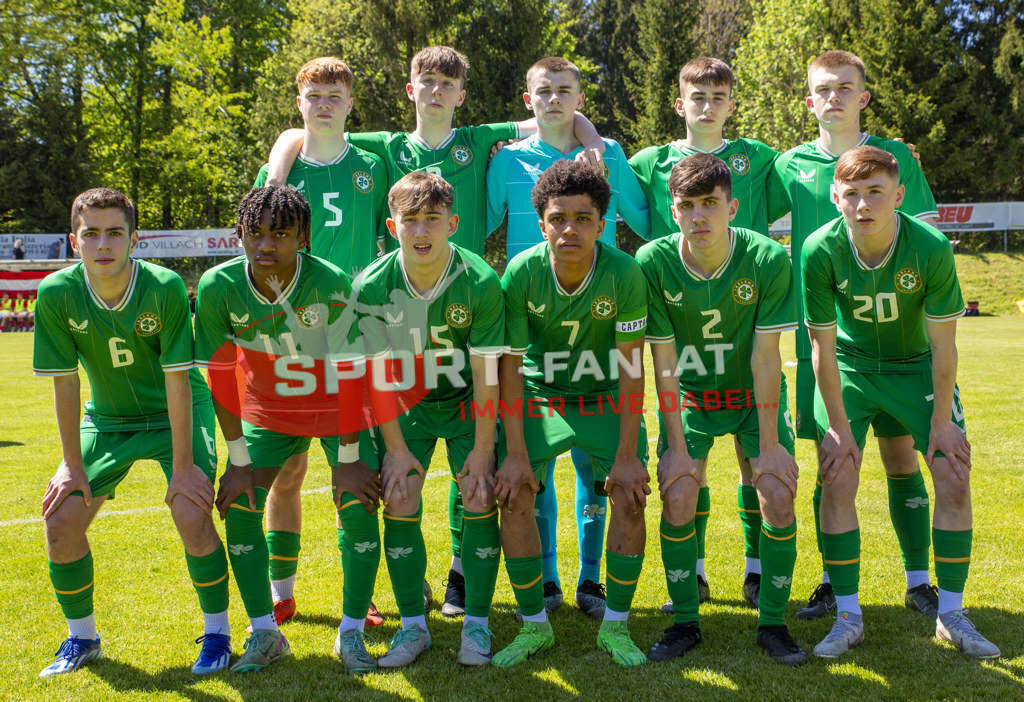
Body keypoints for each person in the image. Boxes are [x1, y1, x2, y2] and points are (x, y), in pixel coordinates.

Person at [264, 46, 604, 619]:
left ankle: (460, 578)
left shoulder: (476, 138)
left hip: (468, 307)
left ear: (462, 94)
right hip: (386, 317)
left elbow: (553, 113)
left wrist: (590, 138)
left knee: (467, 450)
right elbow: (311, 132)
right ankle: (344, 590)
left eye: (449, 83)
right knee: (348, 463)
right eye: (428, 81)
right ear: (410, 90)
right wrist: (277, 171)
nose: (438, 90)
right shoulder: (388, 147)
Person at [803, 145, 999, 660]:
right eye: (852, 194)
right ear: (835, 197)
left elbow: (944, 345)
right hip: (853, 366)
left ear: (899, 195)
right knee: (837, 473)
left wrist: (942, 422)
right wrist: (838, 428)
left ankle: (950, 613)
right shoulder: (819, 249)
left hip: (916, 366)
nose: (863, 204)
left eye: (876, 192)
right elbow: (822, 347)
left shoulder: (930, 246)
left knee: (953, 471)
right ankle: (848, 617)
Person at [768, 50, 942, 620]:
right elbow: (740, 215)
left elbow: (926, 236)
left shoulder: (895, 160)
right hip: (822, 339)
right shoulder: (787, 165)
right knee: (834, 458)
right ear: (809, 100)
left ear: (863, 97)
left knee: (900, 457)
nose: (834, 97)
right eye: (824, 88)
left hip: (898, 339)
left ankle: (919, 580)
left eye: (846, 87)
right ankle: (831, 582)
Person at [33, 187, 231, 677]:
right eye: (91, 234)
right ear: (74, 241)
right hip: (109, 420)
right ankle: (82, 639)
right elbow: (64, 382)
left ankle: (218, 635)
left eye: (115, 233)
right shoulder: (56, 292)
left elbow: (177, 379)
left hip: (175, 413)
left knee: (191, 512)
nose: (103, 244)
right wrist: (71, 465)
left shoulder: (163, 286)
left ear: (134, 239)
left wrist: (183, 468)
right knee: (60, 522)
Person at [486, 56, 651, 619]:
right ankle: (547, 582)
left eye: (565, 90)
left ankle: (591, 580)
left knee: (595, 473)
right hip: (532, 320)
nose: (554, 99)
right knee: (530, 476)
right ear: (527, 99)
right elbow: (475, 220)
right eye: (544, 90)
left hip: (597, 341)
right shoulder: (506, 157)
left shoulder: (607, 155)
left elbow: (642, 214)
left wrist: (601, 147)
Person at [636, 154, 805, 665]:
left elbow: (767, 356)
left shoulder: (767, 257)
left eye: (710, 203)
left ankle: (773, 624)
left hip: (754, 397)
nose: (699, 216)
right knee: (679, 492)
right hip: (692, 396)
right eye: (687, 205)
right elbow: (663, 361)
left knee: (777, 493)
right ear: (673, 211)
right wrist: (676, 447)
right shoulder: (653, 262)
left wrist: (770, 447)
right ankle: (686, 621)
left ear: (732, 207)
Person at [336, 171, 504, 672]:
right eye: (410, 220)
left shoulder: (479, 281)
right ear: (392, 227)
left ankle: (477, 623)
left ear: (453, 223)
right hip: (406, 407)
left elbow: (487, 375)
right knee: (401, 492)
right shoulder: (372, 285)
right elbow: (378, 376)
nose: (422, 230)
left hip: (466, 401)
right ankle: (414, 625)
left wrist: (482, 450)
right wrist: (394, 449)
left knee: (479, 494)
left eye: (433, 218)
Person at [630, 57, 780, 609]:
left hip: (744, 340)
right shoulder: (647, 164)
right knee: (684, 477)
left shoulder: (760, 158)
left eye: (719, 97)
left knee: (759, 471)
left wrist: (889, 149)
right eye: (698, 96)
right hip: (687, 347)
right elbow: (599, 173)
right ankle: (691, 578)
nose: (708, 106)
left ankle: (757, 572)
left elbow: (828, 168)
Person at [194, 185, 362, 672]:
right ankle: (266, 632)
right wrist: (238, 461)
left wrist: (349, 459)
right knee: (240, 502)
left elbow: (352, 374)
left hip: (333, 405)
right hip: (267, 408)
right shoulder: (218, 286)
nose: (266, 244)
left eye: (281, 234)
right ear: (240, 234)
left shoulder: (330, 283)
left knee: (356, 498)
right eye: (256, 232)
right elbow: (220, 375)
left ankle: (351, 631)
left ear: (304, 237)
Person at [252, 56, 389, 631]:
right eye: (315, 96)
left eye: (335, 96)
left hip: (353, 338)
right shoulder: (277, 175)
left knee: (355, 471)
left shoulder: (373, 165)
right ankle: (281, 594)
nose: (325, 105)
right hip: (289, 339)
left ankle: (363, 594)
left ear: (351, 104)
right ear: (299, 103)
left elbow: (393, 238)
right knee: (287, 472)